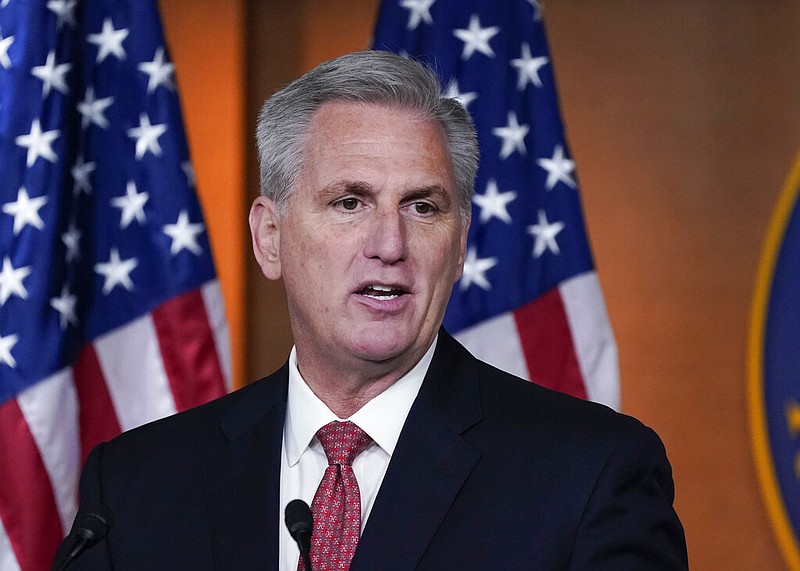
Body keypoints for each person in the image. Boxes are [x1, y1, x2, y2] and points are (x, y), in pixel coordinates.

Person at [54, 50, 688, 570]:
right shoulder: (136, 488)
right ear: (270, 237)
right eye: (350, 202)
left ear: (460, 241)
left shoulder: (591, 477)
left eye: (423, 207)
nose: (390, 246)